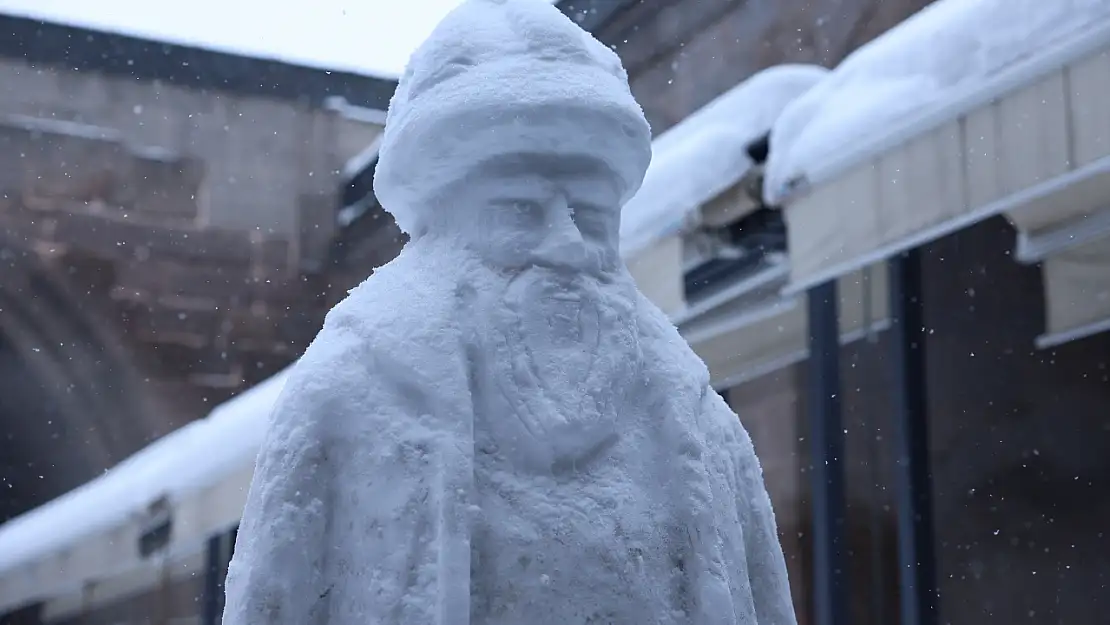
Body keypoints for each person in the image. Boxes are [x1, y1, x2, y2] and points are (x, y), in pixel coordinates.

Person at [221, 0, 797, 623]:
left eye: (592, 215)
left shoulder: (697, 417)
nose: (569, 245)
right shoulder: (349, 396)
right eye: (520, 210)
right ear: (445, 221)